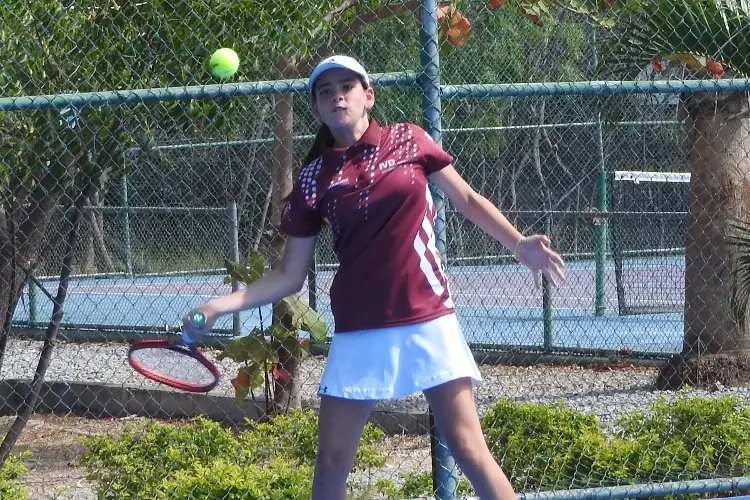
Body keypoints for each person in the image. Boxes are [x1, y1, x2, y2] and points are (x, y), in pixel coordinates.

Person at [185, 55, 566, 500]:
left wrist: (518, 244)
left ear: (368, 96)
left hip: (428, 317)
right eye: (325, 91)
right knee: (330, 464)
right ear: (317, 109)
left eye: (347, 86)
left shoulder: (410, 140)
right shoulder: (313, 180)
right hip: (360, 326)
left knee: (468, 448)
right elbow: (289, 276)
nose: (336, 95)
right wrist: (216, 305)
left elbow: (465, 198)